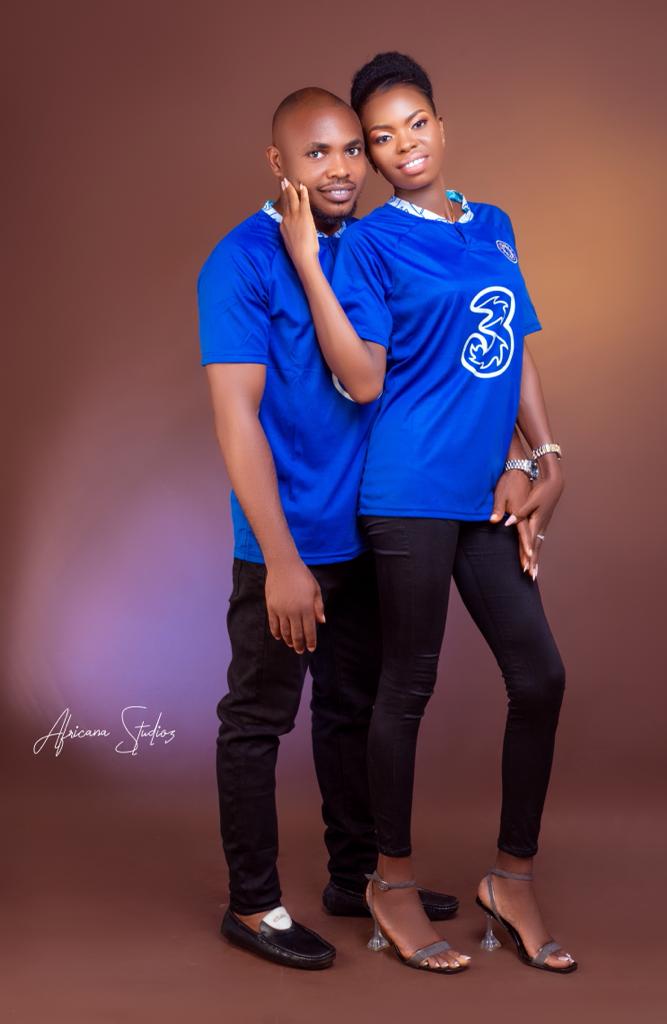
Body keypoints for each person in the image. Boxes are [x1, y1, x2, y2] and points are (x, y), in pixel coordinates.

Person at [277, 52, 578, 974]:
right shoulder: (368, 244)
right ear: (369, 155)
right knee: (406, 686)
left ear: (442, 127)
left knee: (539, 677)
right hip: (407, 488)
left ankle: (510, 878)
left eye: (414, 124)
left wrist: (543, 457)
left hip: (483, 492)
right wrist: (308, 262)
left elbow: (512, 349)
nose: (401, 145)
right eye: (380, 137)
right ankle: (390, 880)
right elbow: (361, 376)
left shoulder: (493, 225)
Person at [196, 86, 459, 971]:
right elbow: (235, 418)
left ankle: (355, 876)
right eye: (317, 154)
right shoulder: (239, 259)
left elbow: (394, 377)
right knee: (257, 720)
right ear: (278, 163)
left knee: (352, 712)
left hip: (366, 533)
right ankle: (254, 905)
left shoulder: (362, 248)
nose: (342, 169)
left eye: (352, 148)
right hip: (287, 543)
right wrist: (279, 559)